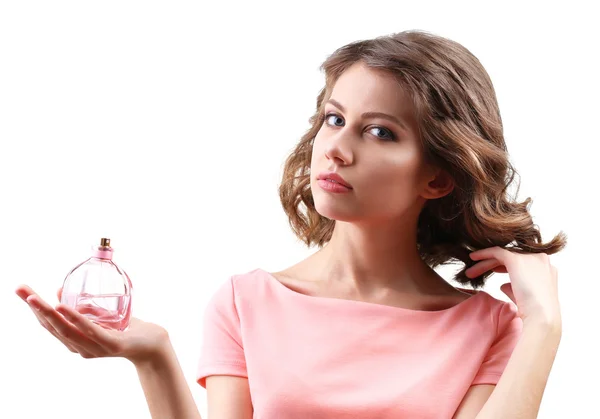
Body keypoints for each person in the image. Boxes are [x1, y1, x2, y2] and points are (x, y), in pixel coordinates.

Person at [15, 29, 566, 419]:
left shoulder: (489, 328)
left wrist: (544, 327)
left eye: (379, 132)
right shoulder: (245, 303)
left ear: (438, 178)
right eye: (334, 118)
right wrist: (154, 356)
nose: (337, 150)